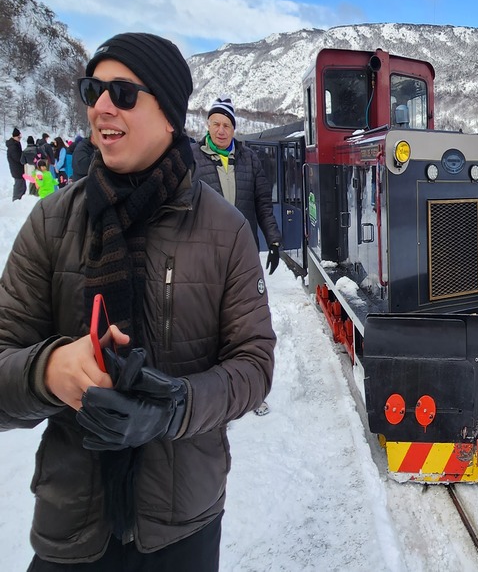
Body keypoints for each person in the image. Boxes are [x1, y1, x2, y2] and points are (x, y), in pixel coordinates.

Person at [0, 32, 275, 570]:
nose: (101, 105)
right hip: (73, 527)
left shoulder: (226, 231)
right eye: (93, 89)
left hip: (183, 528)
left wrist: (177, 407)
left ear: (169, 114)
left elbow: (254, 365)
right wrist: (49, 371)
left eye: (123, 93)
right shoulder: (52, 223)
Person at [192, 96, 282, 417]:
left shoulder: (250, 160)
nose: (220, 130)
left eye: (226, 125)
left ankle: (251, 390)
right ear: (207, 125)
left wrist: (273, 240)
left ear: (234, 129)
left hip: (242, 252)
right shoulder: (193, 158)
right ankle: (215, 394)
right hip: (203, 252)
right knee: (207, 320)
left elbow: (262, 204)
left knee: (246, 319)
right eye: (215, 123)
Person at [6, 127, 24, 200]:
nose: (20, 139)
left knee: (21, 185)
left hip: (18, 168)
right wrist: (23, 158)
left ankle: (20, 198)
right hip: (16, 169)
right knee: (19, 185)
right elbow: (17, 158)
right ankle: (16, 199)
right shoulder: (13, 146)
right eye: (19, 137)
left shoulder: (16, 144)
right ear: (15, 136)